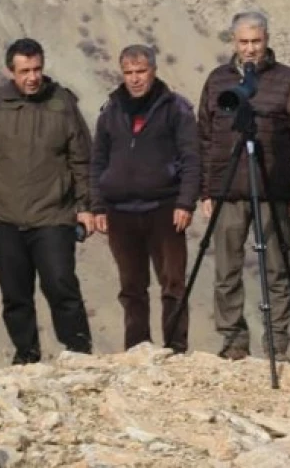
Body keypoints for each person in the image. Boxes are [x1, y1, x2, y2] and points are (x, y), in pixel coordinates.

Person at [197, 11, 290, 361]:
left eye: (256, 41)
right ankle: (233, 341)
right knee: (226, 271)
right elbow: (204, 136)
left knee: (277, 272)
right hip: (227, 192)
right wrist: (206, 191)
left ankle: (277, 346)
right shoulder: (218, 80)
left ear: (267, 40)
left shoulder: (288, 81)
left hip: (273, 190)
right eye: (244, 42)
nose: (250, 49)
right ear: (233, 42)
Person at [0, 37, 94, 365]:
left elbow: (82, 158)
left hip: (52, 214)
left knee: (61, 284)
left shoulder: (62, 102)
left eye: (37, 69)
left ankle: (79, 351)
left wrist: (86, 207)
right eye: (25, 71)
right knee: (15, 294)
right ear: (11, 71)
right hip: (3, 216)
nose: (33, 77)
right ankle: (27, 356)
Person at [90, 44, 200, 353]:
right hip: (120, 212)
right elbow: (97, 160)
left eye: (141, 72)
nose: (135, 79)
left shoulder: (175, 108)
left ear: (153, 70)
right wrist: (97, 204)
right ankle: (137, 348)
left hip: (164, 208)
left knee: (173, 283)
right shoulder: (111, 110)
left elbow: (191, 158)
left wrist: (185, 202)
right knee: (131, 287)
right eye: (129, 73)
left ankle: (176, 348)